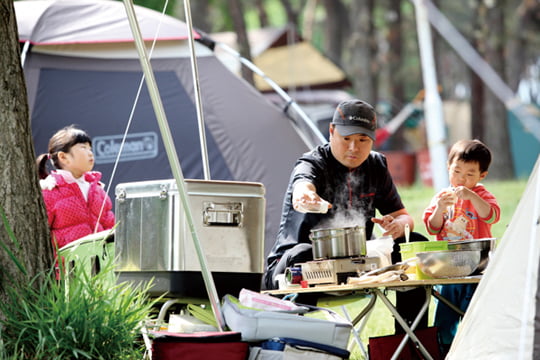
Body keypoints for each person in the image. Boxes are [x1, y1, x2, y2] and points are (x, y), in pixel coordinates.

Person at [263, 99, 429, 333]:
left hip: (355, 266)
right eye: (347, 139)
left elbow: (403, 217)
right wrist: (305, 195)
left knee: (415, 244)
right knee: (305, 253)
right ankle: (299, 346)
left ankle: (410, 346)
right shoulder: (313, 163)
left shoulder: (376, 165)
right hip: (295, 269)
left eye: (363, 140)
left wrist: (398, 226)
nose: (354, 148)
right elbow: (303, 184)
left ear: (373, 138)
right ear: (332, 131)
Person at [423, 139, 500, 354]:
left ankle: (475, 349)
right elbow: (432, 226)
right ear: (448, 168)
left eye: (470, 174)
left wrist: (472, 196)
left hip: (477, 266)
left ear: (482, 176)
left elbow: (491, 215)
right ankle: (445, 349)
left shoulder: (482, 195)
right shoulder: (442, 196)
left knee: (473, 312)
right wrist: (439, 208)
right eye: (457, 172)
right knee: (445, 313)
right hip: (448, 268)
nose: (462, 179)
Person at [36, 125, 115, 262]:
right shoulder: (50, 190)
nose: (90, 153)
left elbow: (109, 225)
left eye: (90, 148)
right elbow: (41, 236)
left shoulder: (97, 188)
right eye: (83, 148)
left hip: (101, 267)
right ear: (63, 157)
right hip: (68, 271)